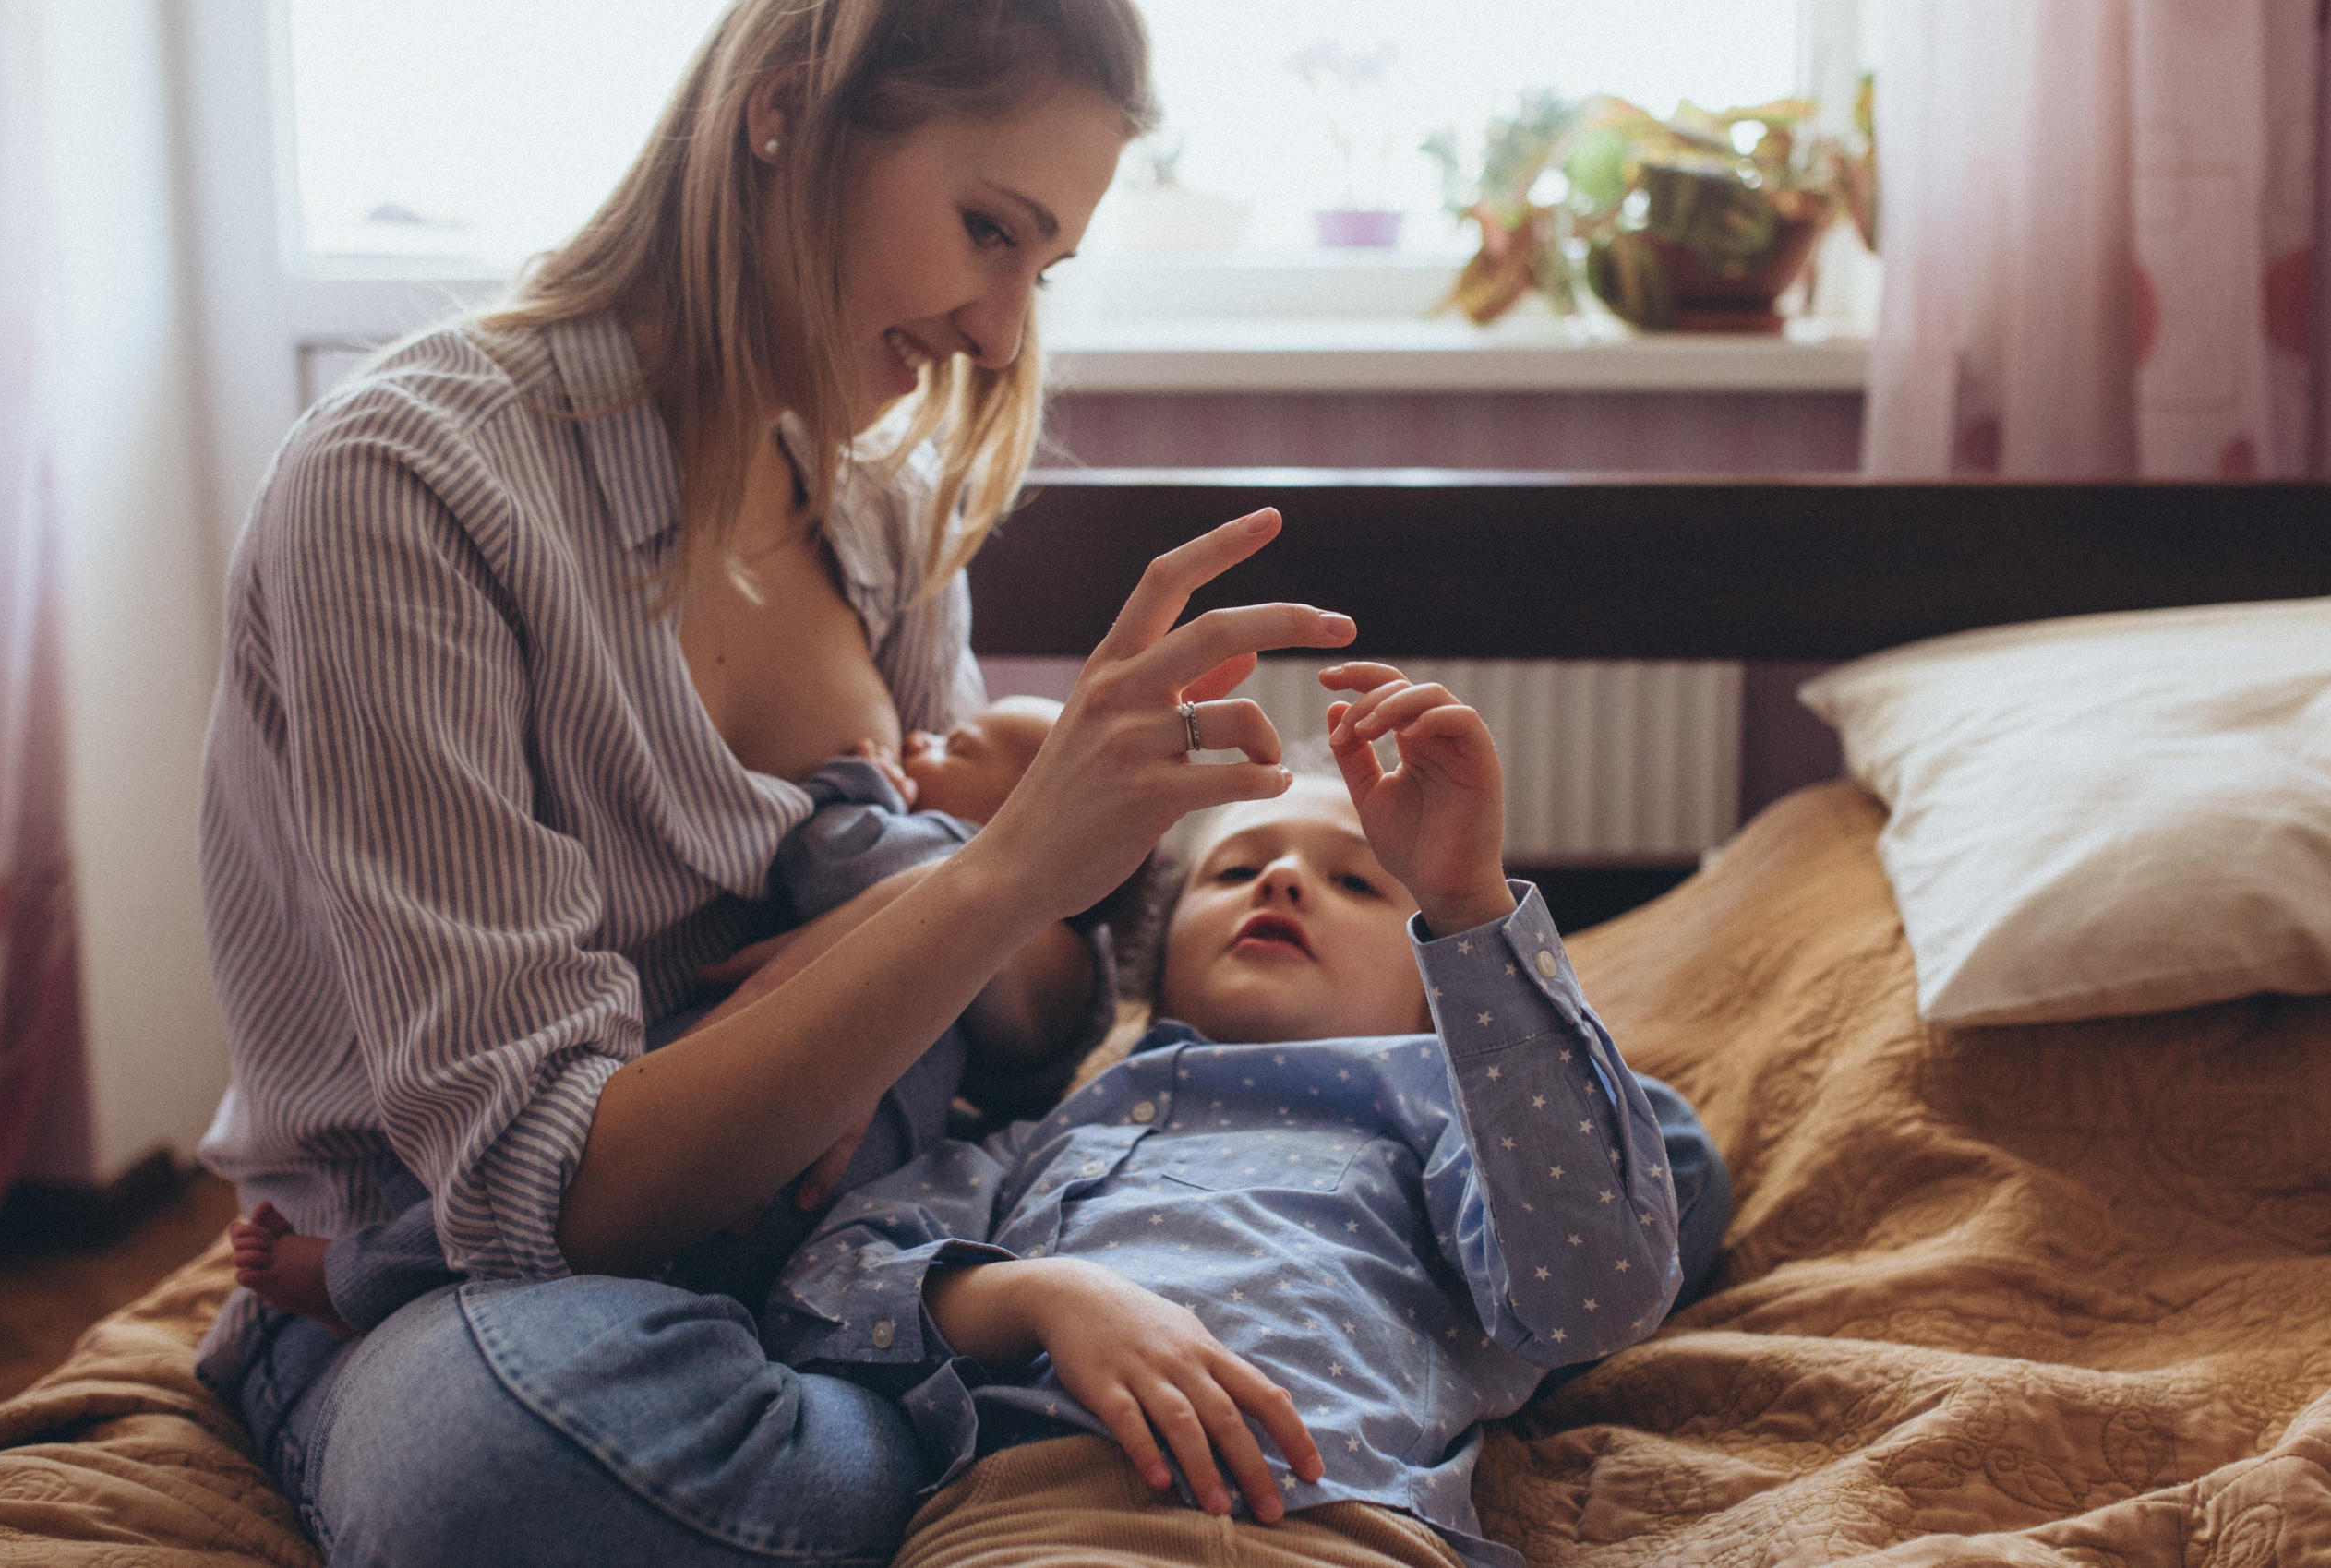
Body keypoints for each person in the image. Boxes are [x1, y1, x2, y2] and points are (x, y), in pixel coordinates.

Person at [188, 2, 1364, 1562]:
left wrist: (981, 886)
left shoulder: (874, 513)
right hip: (458, 1282)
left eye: (1042, 269)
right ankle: (931, 1416)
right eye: (987, 230)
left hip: (840, 1246)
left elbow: (1020, 1035)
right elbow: (542, 1197)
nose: (998, 332)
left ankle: (894, 1386)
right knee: (504, 1459)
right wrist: (984, 879)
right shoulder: (407, 487)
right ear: (786, 112)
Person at [761, 663, 1733, 1568]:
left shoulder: (1452, 1127)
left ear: (1435, 999)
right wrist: (1041, 1296)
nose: (1281, 880)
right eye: (1232, 872)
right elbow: (822, 1293)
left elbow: (1596, 1290)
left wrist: (1467, 908)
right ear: (1155, 965)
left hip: (1346, 1531)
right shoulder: (1047, 1135)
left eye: (1355, 881)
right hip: (1035, 1520)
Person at [225, 697, 1074, 1342]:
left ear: (1019, 810)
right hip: (811, 1188)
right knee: (595, 1220)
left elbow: (824, 853)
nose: (923, 737)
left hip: (747, 1129)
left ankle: (361, 1275)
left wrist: (861, 785)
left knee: (544, 1195)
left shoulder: (941, 844)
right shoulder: (990, 926)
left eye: (958, 747)